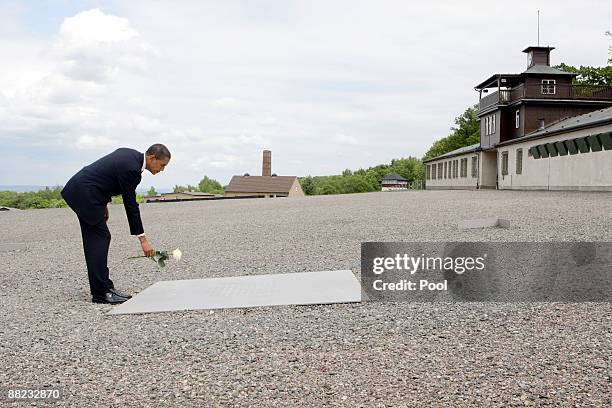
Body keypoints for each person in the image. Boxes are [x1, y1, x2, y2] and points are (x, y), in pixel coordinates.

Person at [62, 144, 171, 304]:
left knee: (99, 238)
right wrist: (143, 240)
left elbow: (105, 177)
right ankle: (100, 293)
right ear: (152, 157)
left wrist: (103, 204)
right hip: (85, 194)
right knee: (99, 239)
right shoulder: (132, 169)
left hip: (85, 191)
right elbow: (131, 205)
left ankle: (105, 287)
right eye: (162, 165)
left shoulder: (131, 157)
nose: (162, 170)